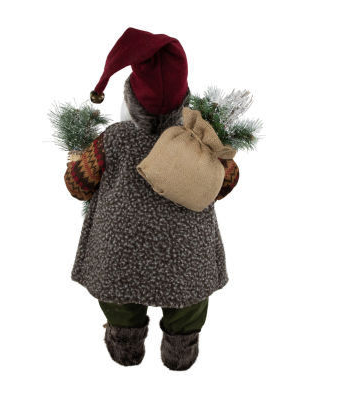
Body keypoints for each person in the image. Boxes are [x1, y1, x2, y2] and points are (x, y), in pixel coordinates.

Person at [64, 27, 239, 371]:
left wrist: (75, 158)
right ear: (183, 99)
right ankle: (181, 349)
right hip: (186, 257)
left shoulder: (113, 139)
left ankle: (125, 343)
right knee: (189, 298)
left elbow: (78, 186)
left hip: (120, 256)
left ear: (131, 100)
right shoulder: (200, 140)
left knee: (118, 293)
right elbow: (225, 182)